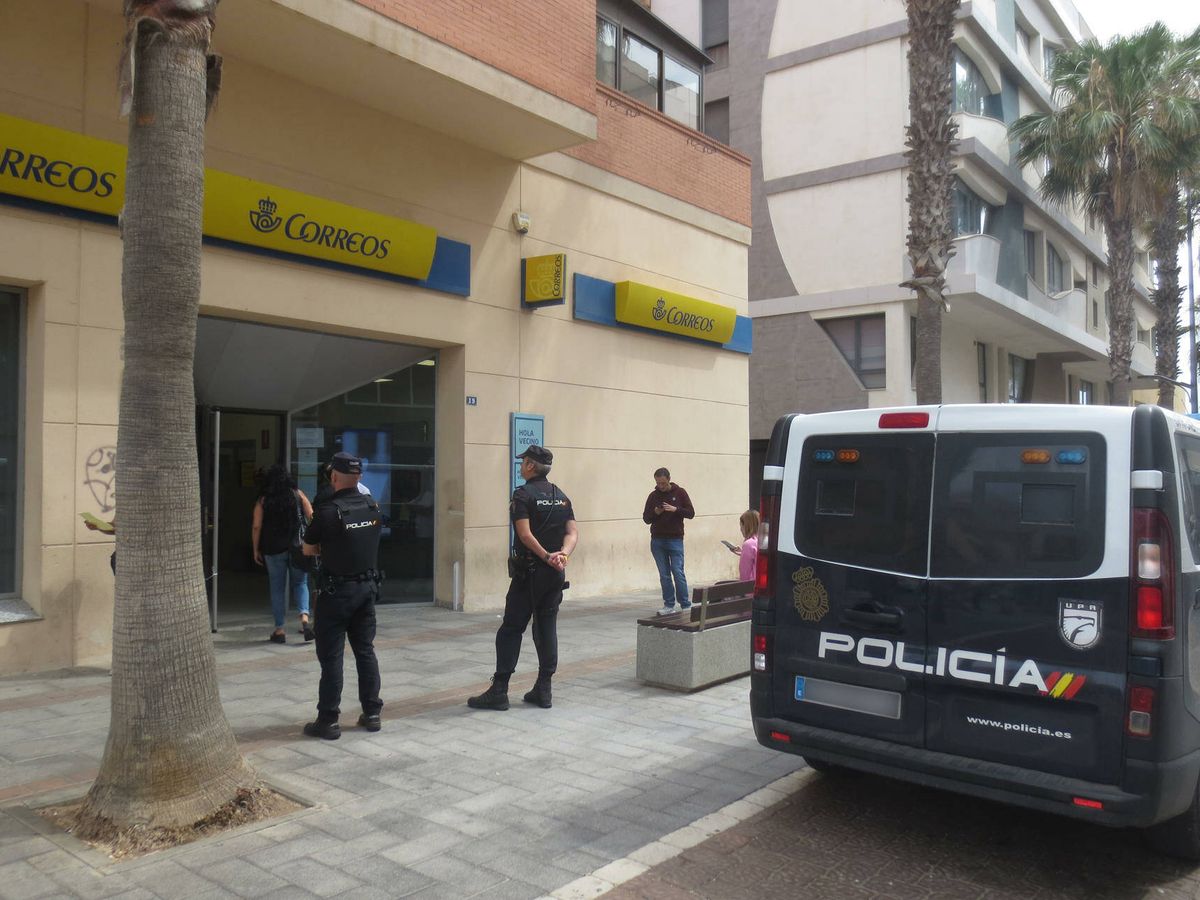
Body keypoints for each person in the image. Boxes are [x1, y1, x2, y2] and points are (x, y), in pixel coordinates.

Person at [468, 445, 578, 711]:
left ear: (530, 466)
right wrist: (561, 555)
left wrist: (545, 556)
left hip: (530, 573)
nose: (521, 466)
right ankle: (544, 688)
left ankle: (499, 690)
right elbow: (572, 532)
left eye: (523, 462)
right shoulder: (561, 495)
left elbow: (525, 535)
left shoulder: (522, 495)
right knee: (546, 627)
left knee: (511, 628)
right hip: (554, 573)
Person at [300, 452, 384, 740]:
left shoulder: (327, 511)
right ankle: (372, 713)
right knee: (365, 651)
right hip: (367, 590)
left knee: (332, 657)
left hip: (336, 593)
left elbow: (308, 549)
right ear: (358, 477)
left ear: (334, 476)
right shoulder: (373, 506)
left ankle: (328, 720)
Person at [251, 464, 314, 644]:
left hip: (272, 549)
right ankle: (304, 619)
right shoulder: (297, 494)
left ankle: (279, 630)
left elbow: (256, 526)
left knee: (277, 588)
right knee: (301, 582)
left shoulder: (263, 500)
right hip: (297, 548)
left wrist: (255, 549)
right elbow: (311, 516)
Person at [642, 467, 695, 615]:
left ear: (669, 479)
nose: (661, 486)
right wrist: (656, 512)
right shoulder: (653, 496)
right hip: (657, 540)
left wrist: (675, 509)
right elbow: (646, 518)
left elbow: (691, 513)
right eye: (658, 483)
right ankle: (669, 604)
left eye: (663, 483)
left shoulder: (680, 493)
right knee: (664, 574)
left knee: (678, 571)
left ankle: (685, 604)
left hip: (675, 539)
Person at [734, 509, 760, 582]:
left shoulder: (748, 544)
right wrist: (742, 553)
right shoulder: (763, 541)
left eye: (741, 526)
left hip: (751, 589)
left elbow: (744, 574)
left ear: (747, 526)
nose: (740, 529)